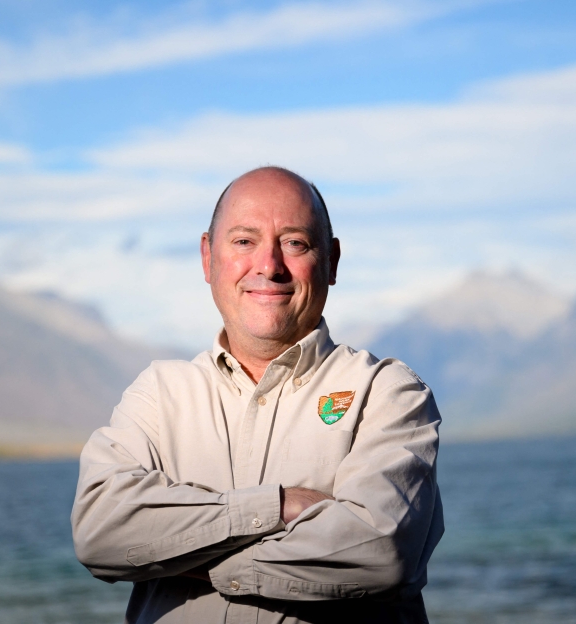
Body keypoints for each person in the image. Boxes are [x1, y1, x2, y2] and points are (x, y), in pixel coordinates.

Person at [71, 166, 444, 623]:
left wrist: (179, 552)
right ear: (208, 257)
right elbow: (99, 533)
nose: (269, 265)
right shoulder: (158, 394)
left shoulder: (386, 392)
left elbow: (382, 552)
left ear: (332, 261)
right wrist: (278, 506)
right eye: (244, 241)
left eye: (295, 243)